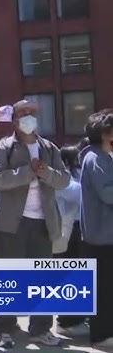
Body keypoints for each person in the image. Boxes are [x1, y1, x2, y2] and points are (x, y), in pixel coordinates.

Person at [0, 100, 69, 348]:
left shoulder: (49, 148)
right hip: (11, 224)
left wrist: (45, 173)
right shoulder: (4, 147)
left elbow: (63, 179)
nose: (28, 117)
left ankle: (40, 328)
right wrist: (27, 172)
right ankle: (3, 328)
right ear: (15, 120)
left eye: (32, 113)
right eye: (23, 113)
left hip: (43, 222)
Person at [80, 110, 113, 348]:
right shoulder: (96, 158)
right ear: (104, 133)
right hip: (102, 237)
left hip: (105, 234)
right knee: (103, 289)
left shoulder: (102, 156)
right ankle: (101, 336)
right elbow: (108, 193)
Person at [52, 145, 88, 337]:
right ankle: (67, 321)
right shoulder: (64, 179)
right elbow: (75, 195)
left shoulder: (77, 174)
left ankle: (77, 317)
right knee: (69, 274)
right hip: (68, 231)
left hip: (79, 228)